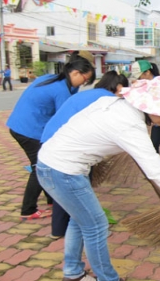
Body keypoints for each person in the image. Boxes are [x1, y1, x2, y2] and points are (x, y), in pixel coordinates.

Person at [36, 76, 160, 281]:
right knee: (96, 225)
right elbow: (158, 173)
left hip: (55, 165)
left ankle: (73, 272)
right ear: (150, 105)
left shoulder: (115, 104)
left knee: (80, 220)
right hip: (62, 171)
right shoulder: (129, 125)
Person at [6, 50, 96, 220]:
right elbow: (65, 119)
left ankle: (51, 199)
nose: (83, 84)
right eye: (84, 80)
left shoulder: (53, 78)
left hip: (21, 124)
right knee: (40, 167)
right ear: (75, 72)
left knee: (46, 163)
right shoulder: (61, 90)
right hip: (28, 129)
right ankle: (28, 209)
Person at [40, 71, 129, 239]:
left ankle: (58, 230)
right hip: (67, 147)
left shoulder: (88, 93)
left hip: (50, 141)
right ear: (119, 87)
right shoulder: (108, 100)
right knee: (78, 189)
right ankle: (90, 228)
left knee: (65, 189)